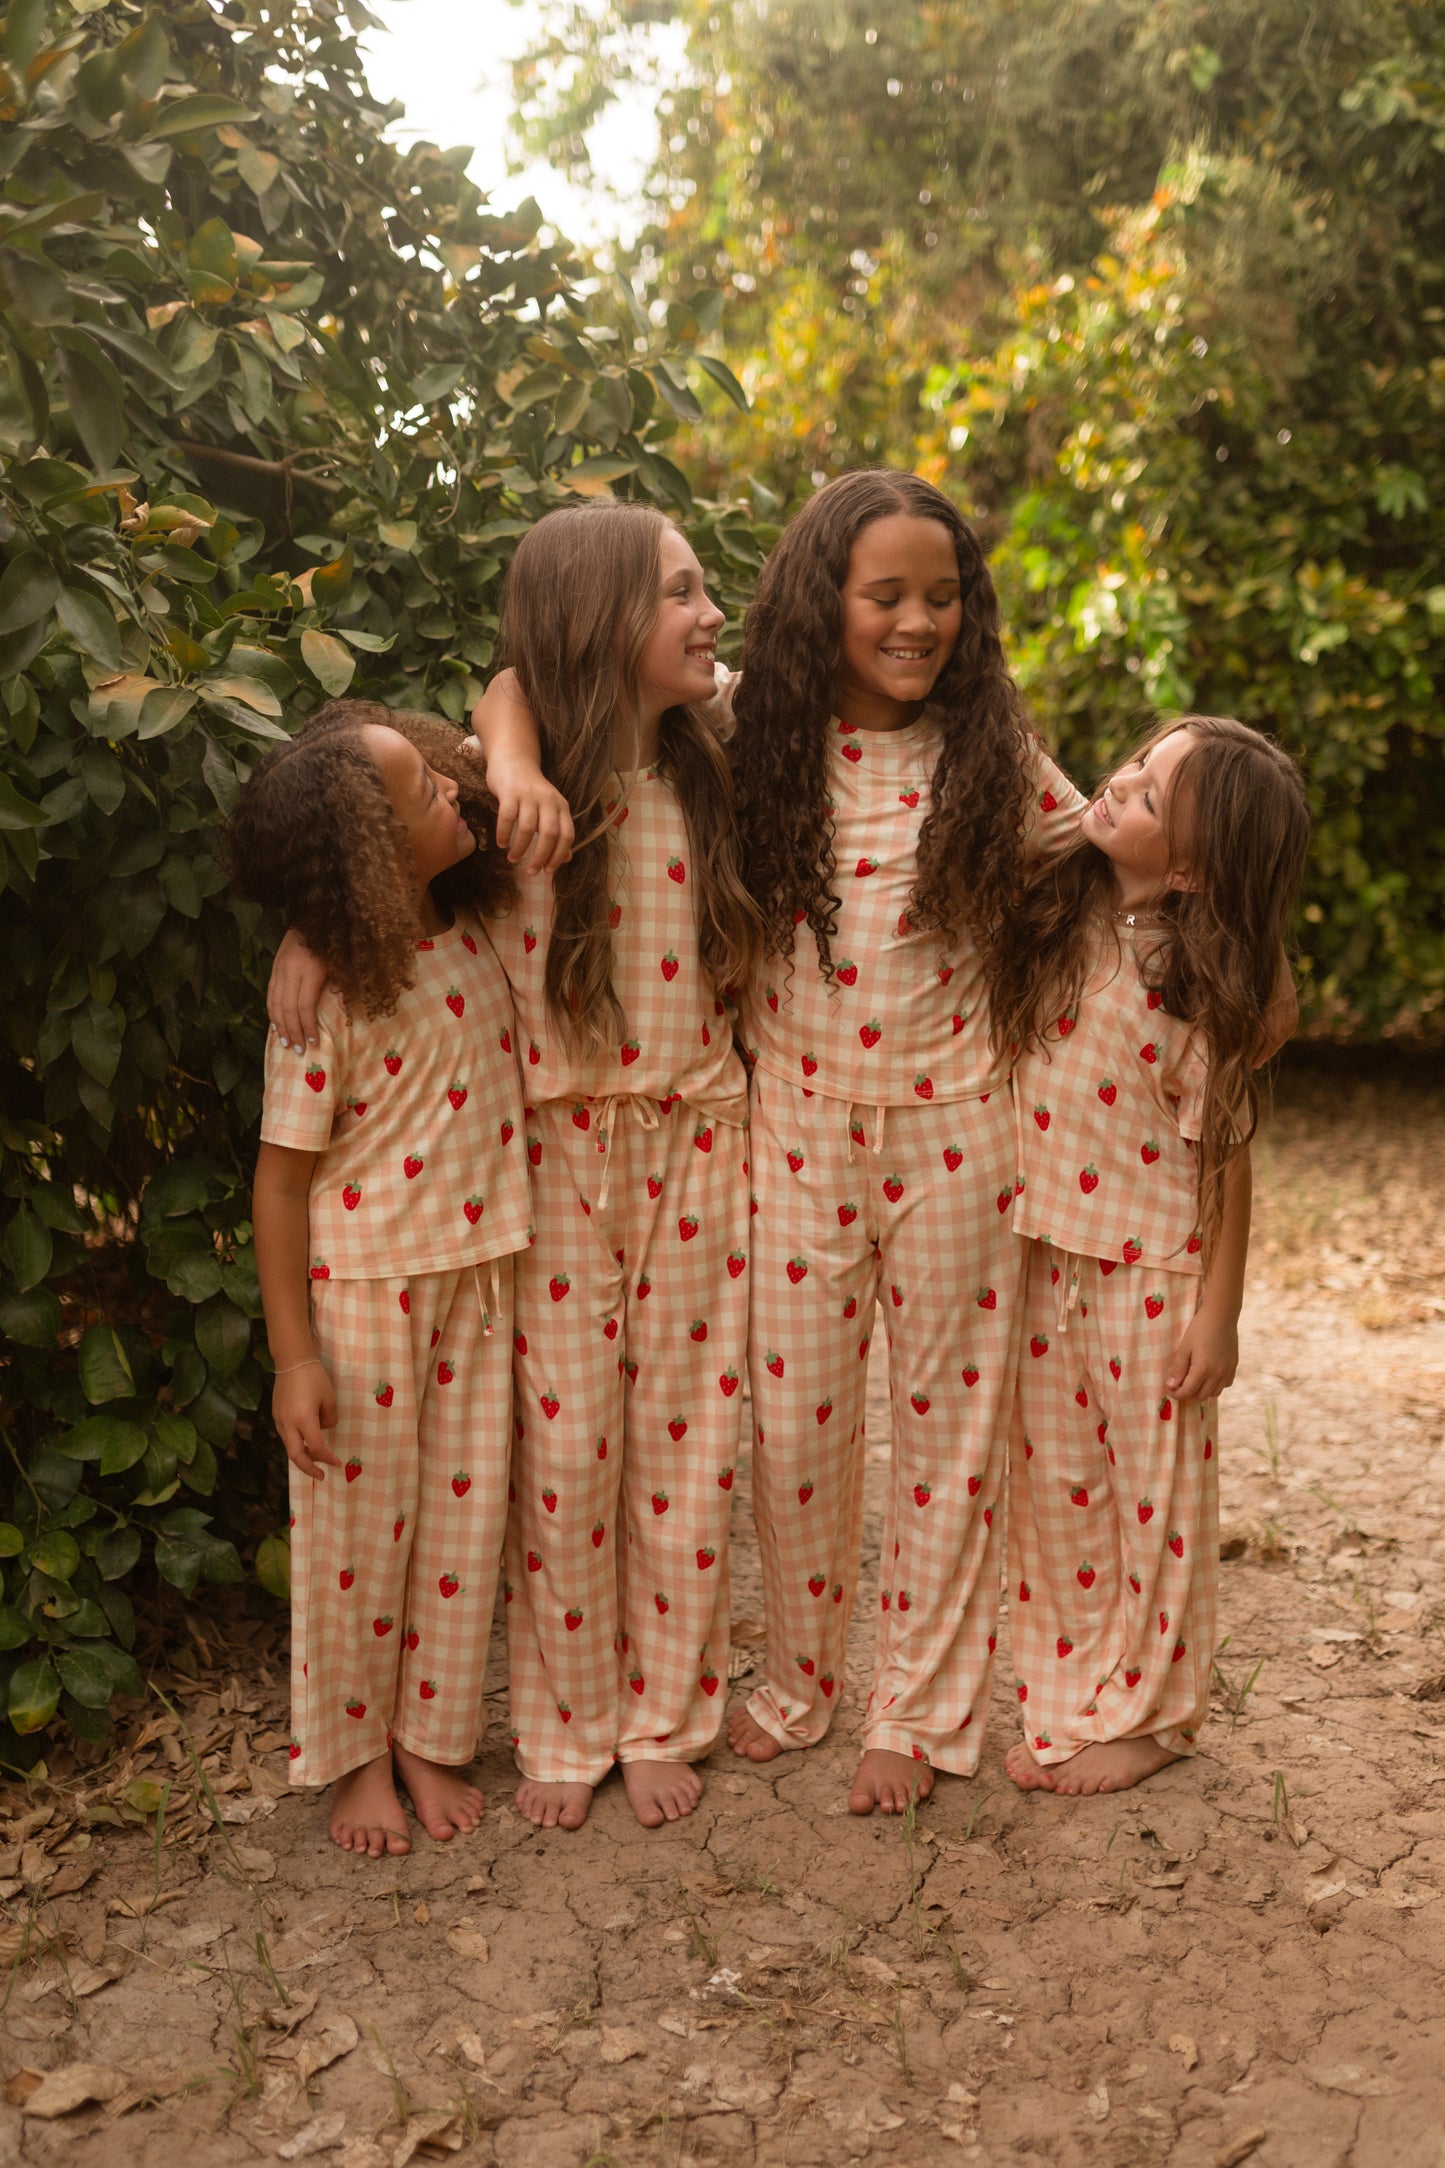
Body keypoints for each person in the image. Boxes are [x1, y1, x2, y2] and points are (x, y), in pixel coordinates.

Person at [471, 470, 1088, 1816]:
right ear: (823, 603)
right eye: (886, 595)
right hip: (791, 1130)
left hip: (958, 1130)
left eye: (942, 597)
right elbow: (524, 681)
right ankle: (801, 1681)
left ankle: (917, 1714)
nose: (917, 621)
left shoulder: (993, 757)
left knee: (948, 1435)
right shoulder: (744, 725)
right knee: (793, 1436)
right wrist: (504, 767)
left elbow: (1104, 851)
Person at [269, 502, 762, 1833]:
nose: (708, 613)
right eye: (679, 591)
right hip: (544, 1157)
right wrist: (315, 930)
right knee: (566, 1453)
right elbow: (383, 843)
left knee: (688, 1443)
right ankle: (567, 1722)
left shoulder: (712, 755)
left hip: (696, 1140)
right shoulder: (499, 807)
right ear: (597, 621)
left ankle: (663, 1717)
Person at [231, 703, 529, 1858]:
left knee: (461, 1525)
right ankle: (354, 1756)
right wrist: (294, 1356)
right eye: (422, 792)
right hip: (366, 1299)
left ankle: (428, 1735)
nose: (452, 787)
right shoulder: (321, 1000)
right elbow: (279, 1182)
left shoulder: (475, 918)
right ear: (365, 852)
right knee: (356, 1539)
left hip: (479, 1278)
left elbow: (510, 752)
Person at [994, 715, 1310, 1795]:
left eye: (1146, 793)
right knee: (1057, 1492)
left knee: (1154, 1506)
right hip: (1043, 1254)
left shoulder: (1195, 987)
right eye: (1132, 764)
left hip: (1151, 1273)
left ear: (1186, 869)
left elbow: (1223, 1156)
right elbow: (1012, 753)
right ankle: (1068, 1694)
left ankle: (1154, 1716)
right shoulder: (1060, 904)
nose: (1116, 784)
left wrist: (1218, 1314)